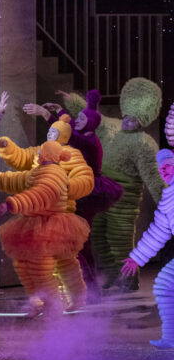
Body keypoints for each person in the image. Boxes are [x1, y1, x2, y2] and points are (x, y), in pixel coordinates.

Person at [60, 78, 164, 291]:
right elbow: (92, 115)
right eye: (127, 117)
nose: (129, 122)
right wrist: (71, 101)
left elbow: (154, 177)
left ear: (143, 121)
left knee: (120, 241)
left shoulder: (144, 143)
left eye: (135, 120)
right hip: (99, 192)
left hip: (124, 200)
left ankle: (129, 280)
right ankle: (112, 275)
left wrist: (167, 202)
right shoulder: (111, 126)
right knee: (97, 237)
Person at [24, 89, 124, 300]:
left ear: (90, 124)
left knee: (76, 244)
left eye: (81, 119)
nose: (76, 120)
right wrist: (60, 110)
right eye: (77, 117)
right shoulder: (86, 136)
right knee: (81, 244)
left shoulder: (89, 142)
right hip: (83, 191)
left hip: (86, 193)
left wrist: (45, 114)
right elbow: (70, 127)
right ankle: (89, 290)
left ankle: (86, 290)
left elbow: (66, 132)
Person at [0, 141, 91, 317]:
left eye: (41, 152)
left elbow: (41, 193)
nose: (38, 154)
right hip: (36, 224)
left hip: (48, 227)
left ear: (47, 155)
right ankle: (41, 300)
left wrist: (13, 203)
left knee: (39, 268)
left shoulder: (53, 173)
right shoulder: (40, 170)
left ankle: (54, 304)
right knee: (28, 265)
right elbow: (23, 180)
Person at [121, 149, 174, 348]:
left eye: (168, 166)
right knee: (164, 285)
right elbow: (159, 230)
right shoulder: (169, 198)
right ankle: (170, 338)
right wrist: (137, 257)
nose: (163, 170)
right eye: (161, 168)